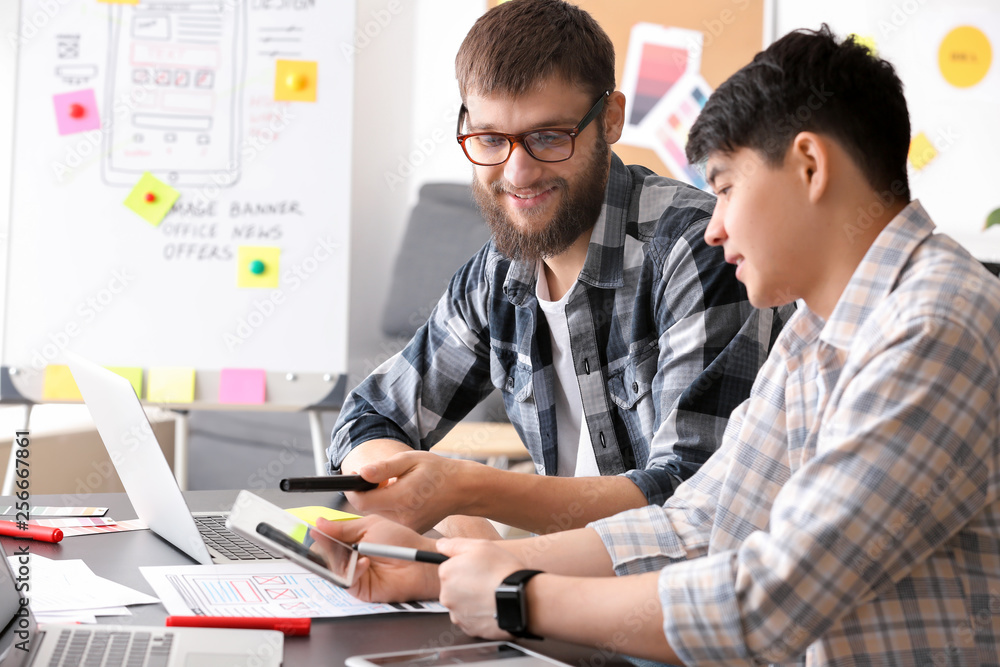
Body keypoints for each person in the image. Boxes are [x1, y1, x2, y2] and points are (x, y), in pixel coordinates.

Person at [320, 25, 1000, 665]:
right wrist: (463, 567)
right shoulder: (816, 337)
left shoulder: (933, 325)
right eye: (493, 139)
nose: (717, 225)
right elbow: (700, 523)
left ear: (809, 167)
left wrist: (517, 592)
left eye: (727, 188)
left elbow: (762, 600)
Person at [328, 0, 788, 539]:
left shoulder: (699, 249)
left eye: (549, 137)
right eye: (491, 140)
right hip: (561, 580)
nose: (517, 171)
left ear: (611, 118)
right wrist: (424, 498)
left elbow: (694, 501)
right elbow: (369, 415)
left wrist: (469, 493)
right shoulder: (498, 275)